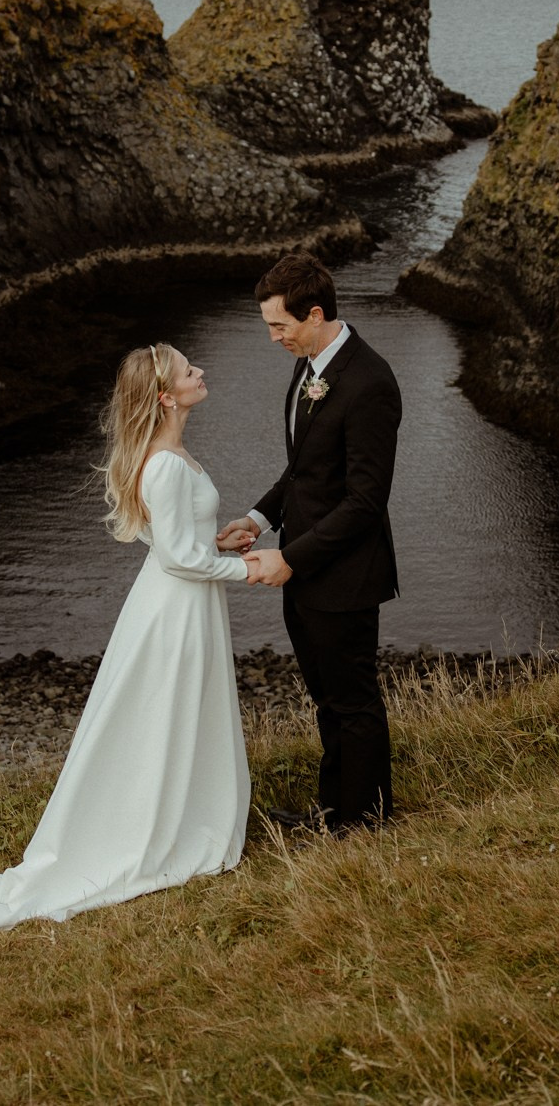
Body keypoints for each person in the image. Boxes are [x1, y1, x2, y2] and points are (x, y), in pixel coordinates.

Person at [0, 343, 268, 929]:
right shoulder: (163, 463)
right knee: (164, 714)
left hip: (180, 598)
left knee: (176, 711)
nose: (200, 371)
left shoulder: (170, 454)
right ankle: (157, 826)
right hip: (175, 607)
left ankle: (181, 810)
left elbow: (178, 545)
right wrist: (251, 570)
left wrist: (217, 545)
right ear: (165, 395)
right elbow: (179, 560)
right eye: (189, 370)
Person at [221, 252, 401, 833]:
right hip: (301, 570)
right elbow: (303, 471)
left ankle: (365, 823)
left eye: (280, 326)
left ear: (316, 313)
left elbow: (365, 502)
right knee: (327, 700)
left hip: (344, 575)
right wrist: (257, 518)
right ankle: (334, 812)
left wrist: (289, 558)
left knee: (353, 702)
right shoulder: (309, 365)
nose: (273, 337)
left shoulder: (370, 382)